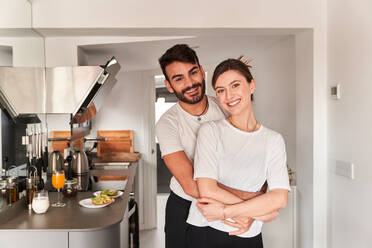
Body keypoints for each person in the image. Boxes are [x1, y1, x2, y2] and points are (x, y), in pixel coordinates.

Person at [156, 45, 277, 248]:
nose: (190, 83)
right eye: (179, 79)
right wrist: (249, 206)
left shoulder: (224, 105)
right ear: (169, 86)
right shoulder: (168, 124)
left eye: (193, 73)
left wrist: (249, 205)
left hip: (229, 202)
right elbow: (191, 185)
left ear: (202, 72)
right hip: (186, 207)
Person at [186, 58, 291, 248]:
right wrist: (261, 212)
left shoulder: (273, 140)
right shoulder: (210, 131)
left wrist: (227, 211)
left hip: (248, 231)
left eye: (235, 85)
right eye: (220, 90)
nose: (229, 95)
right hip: (206, 229)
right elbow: (207, 189)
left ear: (252, 85)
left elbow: (280, 198)